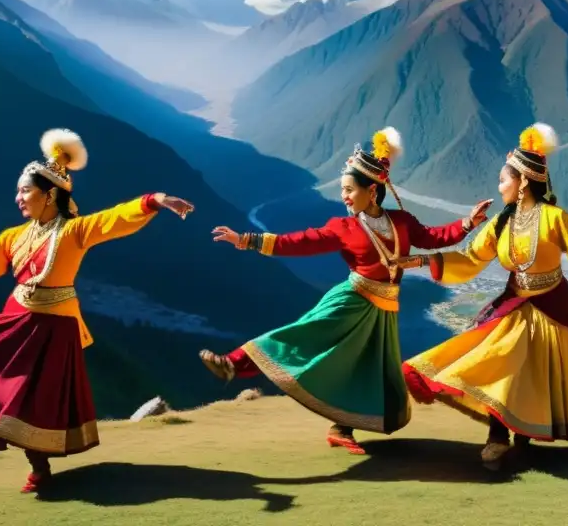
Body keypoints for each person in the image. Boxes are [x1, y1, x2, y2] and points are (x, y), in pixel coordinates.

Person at [0, 129, 194, 493]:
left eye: (25, 190)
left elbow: (114, 218)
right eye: (19, 190)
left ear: (51, 195)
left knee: (33, 401)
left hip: (53, 329)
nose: (18, 198)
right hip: (14, 319)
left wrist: (155, 200)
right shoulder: (12, 237)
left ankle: (38, 470)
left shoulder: (75, 231)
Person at [200, 127, 492, 455]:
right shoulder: (344, 227)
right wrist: (247, 240)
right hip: (352, 299)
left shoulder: (402, 222)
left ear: (372, 190)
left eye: (350, 190)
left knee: (363, 366)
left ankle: (341, 428)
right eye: (342, 190)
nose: (345, 197)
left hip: (384, 308)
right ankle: (232, 364)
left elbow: (434, 237)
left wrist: (468, 223)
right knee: (304, 335)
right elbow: (299, 242)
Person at [399, 123, 568, 470]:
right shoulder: (502, 222)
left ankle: (522, 438)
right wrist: (426, 259)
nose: (499, 186)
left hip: (548, 306)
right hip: (515, 302)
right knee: (502, 363)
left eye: (504, 180)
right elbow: (471, 257)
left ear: (524, 183)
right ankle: (498, 438)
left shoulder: (554, 218)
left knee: (532, 377)